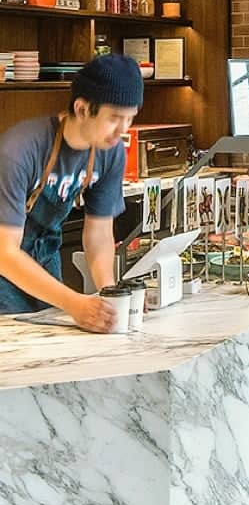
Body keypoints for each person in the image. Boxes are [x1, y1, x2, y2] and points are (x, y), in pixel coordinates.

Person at [0, 53, 143, 331]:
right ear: (82, 109)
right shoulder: (19, 151)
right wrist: (74, 303)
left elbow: (99, 234)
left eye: (130, 119)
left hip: (44, 264)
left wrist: (110, 297)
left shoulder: (109, 153)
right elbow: (5, 252)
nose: (122, 131)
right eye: (115, 118)